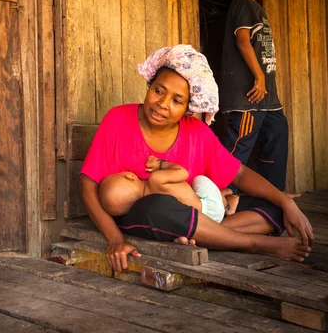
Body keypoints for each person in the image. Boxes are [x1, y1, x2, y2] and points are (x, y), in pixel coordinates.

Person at [79, 44, 314, 273]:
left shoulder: (197, 132)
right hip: (144, 216)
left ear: (189, 107)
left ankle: (204, 234)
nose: (162, 104)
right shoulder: (118, 119)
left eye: (176, 100)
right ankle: (252, 243)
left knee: (274, 209)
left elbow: (239, 173)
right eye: (158, 91)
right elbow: (88, 184)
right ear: (150, 86)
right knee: (159, 206)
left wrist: (286, 202)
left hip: (190, 215)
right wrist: (116, 239)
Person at [220, 0, 287, 191]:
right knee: (239, 147)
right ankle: (219, 197)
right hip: (249, 98)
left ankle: (272, 193)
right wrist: (259, 77)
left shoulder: (254, 7)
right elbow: (243, 41)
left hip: (267, 99)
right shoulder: (243, 3)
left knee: (278, 132)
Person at [100, 155, 240, 224]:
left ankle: (222, 200)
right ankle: (226, 204)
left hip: (202, 224)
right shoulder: (155, 179)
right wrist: (160, 164)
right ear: (130, 176)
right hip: (210, 208)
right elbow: (183, 173)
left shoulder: (148, 209)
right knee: (199, 179)